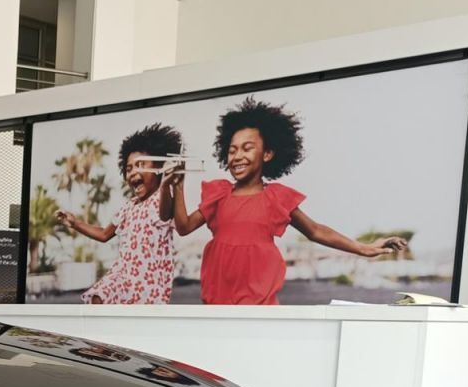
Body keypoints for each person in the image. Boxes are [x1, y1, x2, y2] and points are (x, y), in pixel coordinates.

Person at [164, 97, 408, 305]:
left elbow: (316, 231)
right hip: (216, 305)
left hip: (259, 306)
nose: (237, 156)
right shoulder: (219, 194)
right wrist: (177, 186)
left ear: (268, 154)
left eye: (247, 148)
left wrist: (365, 248)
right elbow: (183, 227)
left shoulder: (276, 198)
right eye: (232, 150)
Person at [55, 123, 184, 304]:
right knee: (98, 297)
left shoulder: (162, 198)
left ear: (159, 168)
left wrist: (165, 184)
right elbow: (104, 234)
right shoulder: (128, 206)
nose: (133, 172)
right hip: (122, 278)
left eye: (140, 165)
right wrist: (75, 223)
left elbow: (165, 214)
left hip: (149, 284)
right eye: (129, 168)